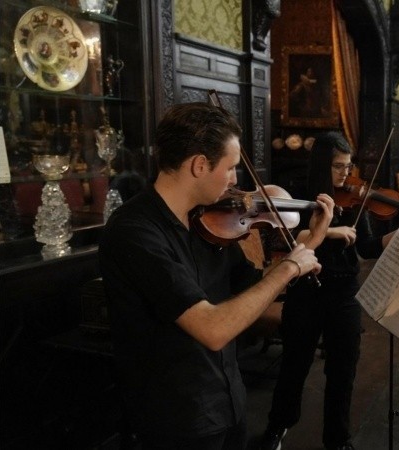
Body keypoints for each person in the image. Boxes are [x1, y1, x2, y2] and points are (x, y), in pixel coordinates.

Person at [98, 102, 335, 448]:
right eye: (231, 168)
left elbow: (253, 292)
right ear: (199, 165)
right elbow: (212, 328)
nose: (236, 181)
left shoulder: (207, 223)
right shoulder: (135, 233)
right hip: (176, 421)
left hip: (227, 403)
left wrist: (309, 245)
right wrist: (288, 268)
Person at [260, 132, 399, 450]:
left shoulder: (353, 201)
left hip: (344, 293)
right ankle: (276, 427)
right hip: (304, 291)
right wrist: (330, 229)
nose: (345, 174)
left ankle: (338, 439)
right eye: (338, 166)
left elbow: (367, 247)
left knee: (343, 370)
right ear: (322, 164)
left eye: (348, 166)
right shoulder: (297, 192)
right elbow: (292, 237)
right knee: (294, 365)